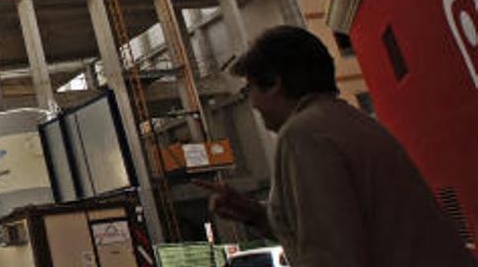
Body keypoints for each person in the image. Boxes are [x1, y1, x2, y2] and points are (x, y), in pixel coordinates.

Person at [196, 25, 475, 266]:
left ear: (273, 84)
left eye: (249, 91)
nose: (253, 104)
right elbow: (340, 224)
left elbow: (330, 254)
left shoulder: (302, 135)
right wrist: (256, 214)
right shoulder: (351, 122)